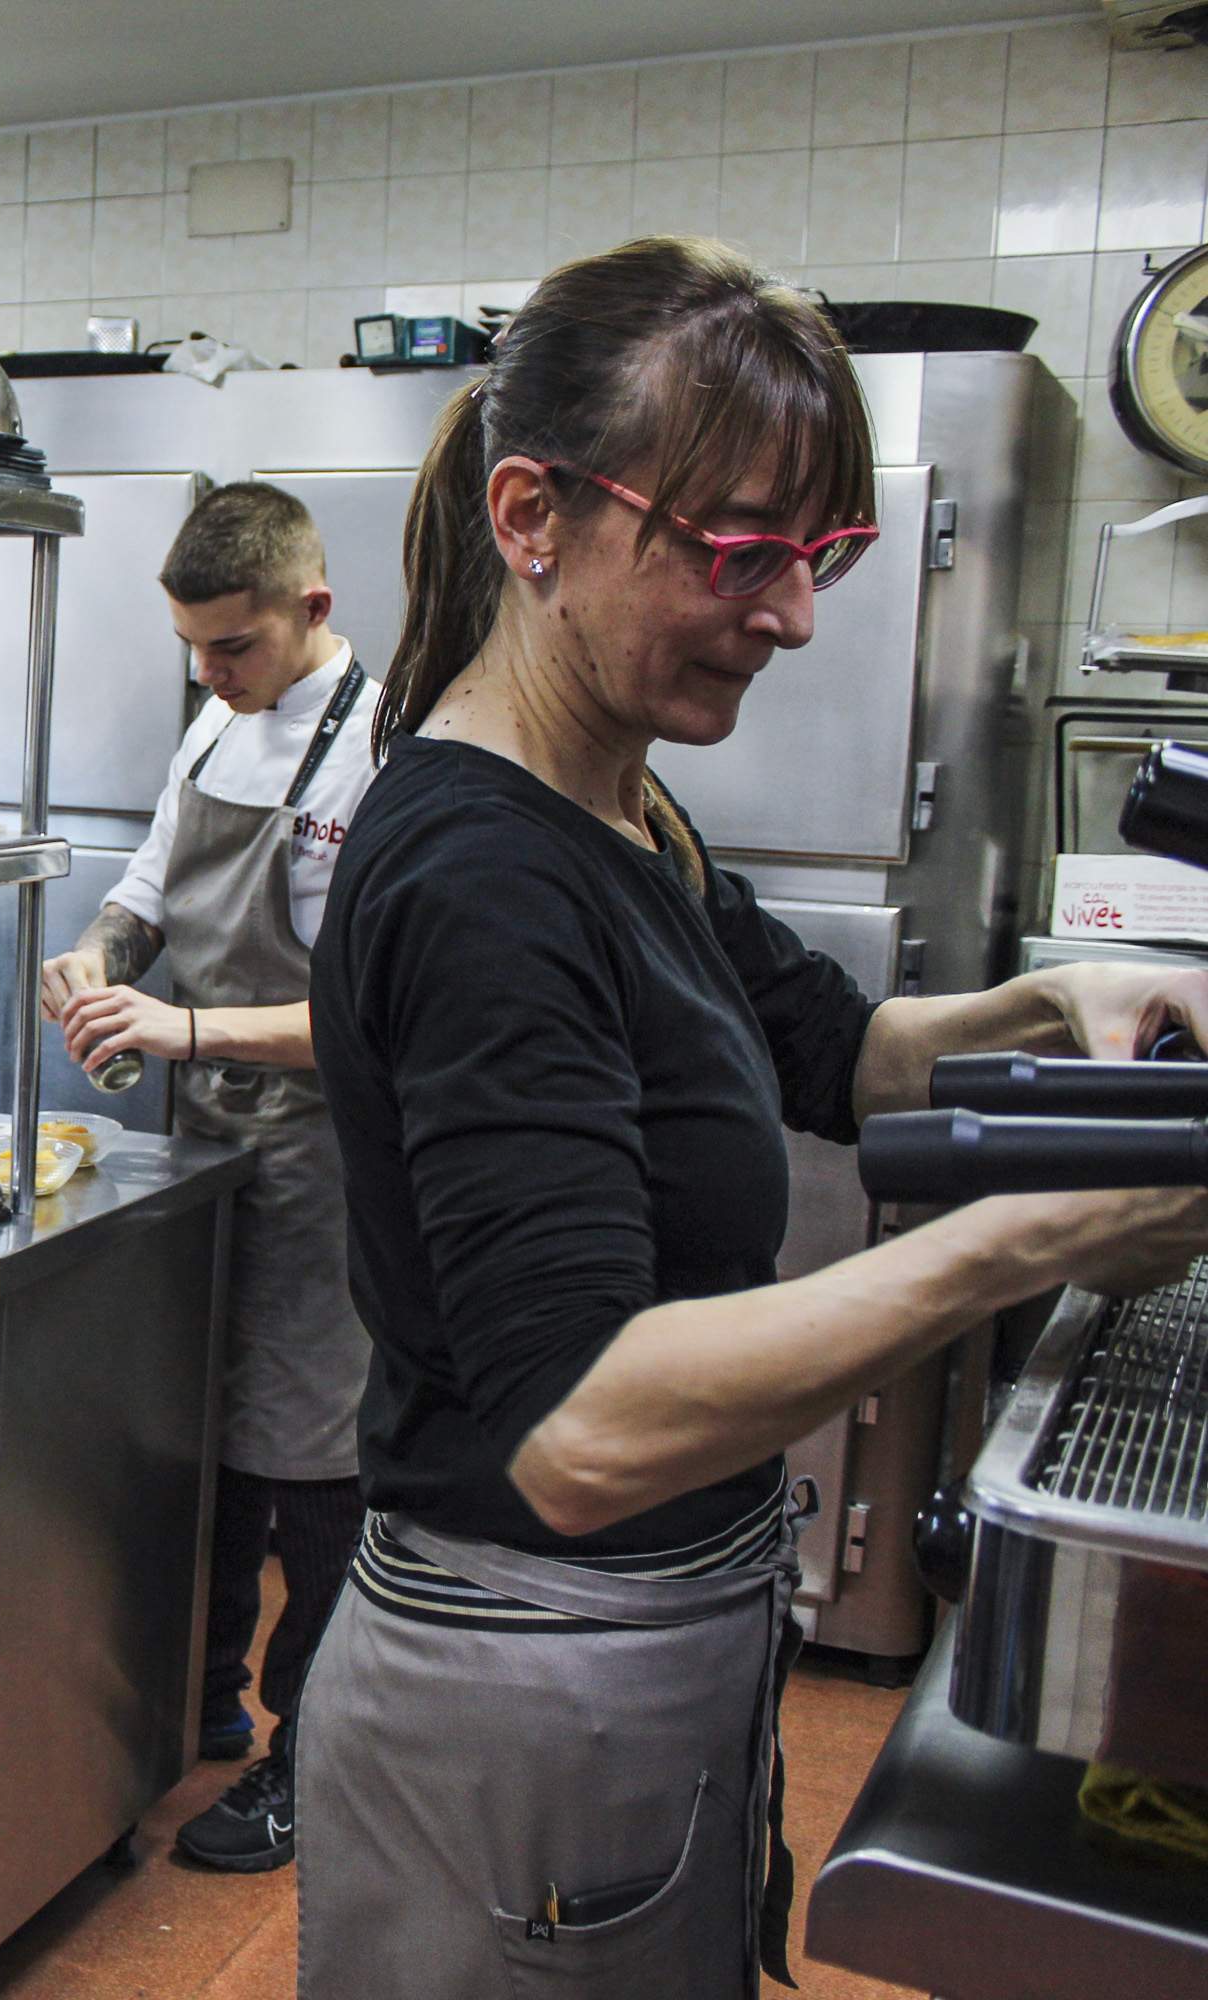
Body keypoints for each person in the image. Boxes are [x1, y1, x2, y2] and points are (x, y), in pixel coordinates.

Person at [297, 233, 1208, 1999]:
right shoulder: (482, 876)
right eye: (738, 551)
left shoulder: (620, 807)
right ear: (533, 517)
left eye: (824, 555)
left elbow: (835, 1053)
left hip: (648, 1657)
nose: (793, 615)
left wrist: (1064, 1000)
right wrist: (1031, 1238)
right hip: (521, 1704)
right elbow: (575, 1429)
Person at [38, 482, 374, 1874]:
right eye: (191, 648)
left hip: (325, 1155)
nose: (208, 674)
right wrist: (98, 959)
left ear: (314, 609)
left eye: (231, 648)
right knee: (211, 1439)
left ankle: (315, 1753)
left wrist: (186, 1026)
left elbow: (381, 1018)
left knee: (315, 1465)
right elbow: (150, 890)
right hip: (204, 1144)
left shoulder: (391, 757)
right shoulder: (216, 720)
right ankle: (205, 1703)